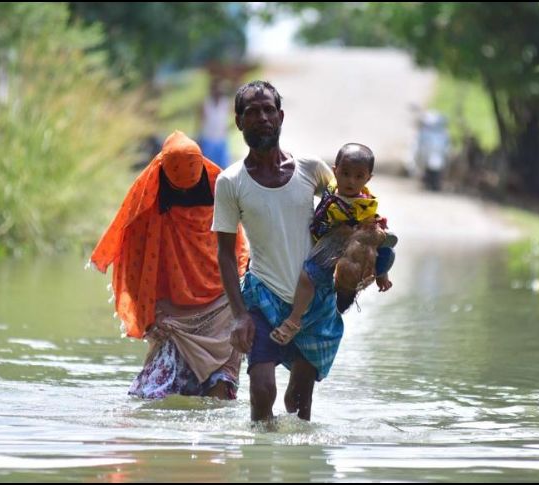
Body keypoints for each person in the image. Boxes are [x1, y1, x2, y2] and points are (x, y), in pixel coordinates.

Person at [212, 80, 339, 422]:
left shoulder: (312, 170)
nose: (262, 118)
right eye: (252, 112)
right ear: (239, 122)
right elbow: (224, 253)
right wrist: (239, 315)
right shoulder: (230, 181)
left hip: (311, 301)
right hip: (261, 295)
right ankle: (257, 463)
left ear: (281, 117)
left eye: (269, 110)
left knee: (299, 403)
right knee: (261, 390)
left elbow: (351, 209)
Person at [90, 130, 249, 400]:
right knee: (151, 395)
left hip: (221, 307)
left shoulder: (220, 189)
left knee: (220, 392)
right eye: (180, 188)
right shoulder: (148, 202)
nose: (187, 192)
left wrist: (241, 311)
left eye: (191, 184)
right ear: (166, 175)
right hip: (171, 318)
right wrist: (150, 315)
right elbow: (134, 266)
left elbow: (235, 250)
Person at [270, 143, 397, 345]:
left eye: (358, 176)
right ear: (335, 171)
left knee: (387, 252)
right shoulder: (330, 189)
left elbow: (374, 237)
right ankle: (294, 320)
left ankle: (373, 277)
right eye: (345, 174)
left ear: (368, 179)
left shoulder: (365, 203)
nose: (350, 181)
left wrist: (383, 274)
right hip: (329, 245)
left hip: (354, 249)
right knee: (307, 276)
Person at [198, 76, 232, 169]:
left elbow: (236, 115)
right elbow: (200, 121)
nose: (218, 91)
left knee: (223, 167)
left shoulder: (225, 103)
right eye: (215, 88)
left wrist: (230, 127)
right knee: (209, 167)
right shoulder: (205, 103)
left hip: (221, 139)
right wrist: (199, 137)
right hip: (208, 140)